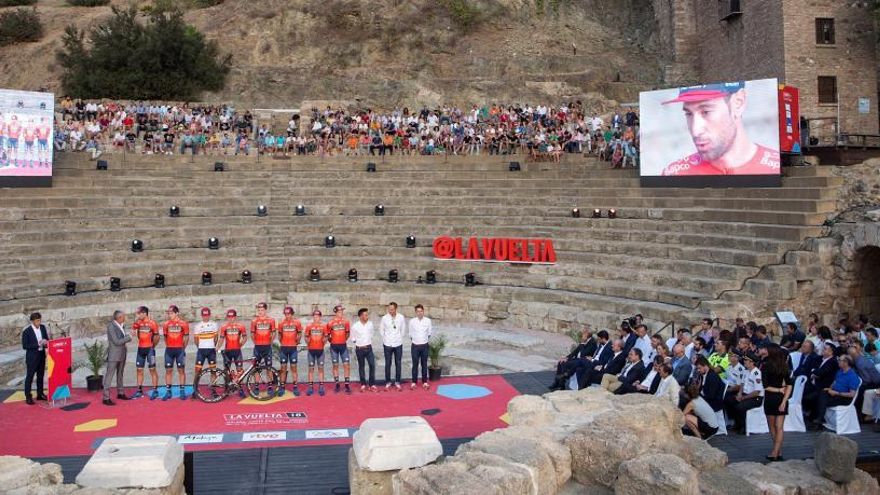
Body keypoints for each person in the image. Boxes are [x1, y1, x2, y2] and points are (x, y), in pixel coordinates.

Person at [660, 81, 780, 176]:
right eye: (689, 114)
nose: (695, 131)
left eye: (706, 112)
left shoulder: (775, 166)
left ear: (738, 103)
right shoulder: (675, 173)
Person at [812, 355, 861, 430]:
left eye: (839, 360)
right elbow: (834, 383)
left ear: (846, 363)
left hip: (844, 398)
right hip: (834, 394)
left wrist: (837, 393)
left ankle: (819, 420)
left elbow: (852, 394)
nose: (838, 361)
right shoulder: (840, 371)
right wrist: (829, 389)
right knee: (821, 393)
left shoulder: (853, 376)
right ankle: (819, 419)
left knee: (822, 400)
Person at [763, 346, 792, 460]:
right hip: (781, 398)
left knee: (772, 427)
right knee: (779, 427)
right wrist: (784, 400)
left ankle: (775, 451)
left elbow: (765, 386)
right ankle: (777, 450)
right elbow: (789, 385)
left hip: (771, 398)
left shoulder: (766, 366)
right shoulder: (784, 366)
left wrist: (778, 390)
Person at [725, 353, 764, 434]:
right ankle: (737, 424)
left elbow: (757, 392)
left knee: (740, 406)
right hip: (745, 395)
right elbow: (742, 384)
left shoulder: (757, 373)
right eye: (744, 360)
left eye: (746, 360)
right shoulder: (746, 371)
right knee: (729, 400)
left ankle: (744, 427)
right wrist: (739, 393)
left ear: (752, 362)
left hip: (755, 398)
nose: (744, 362)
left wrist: (743, 398)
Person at [550, 325, 597, 390]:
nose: (582, 333)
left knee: (565, 364)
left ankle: (561, 382)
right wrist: (566, 357)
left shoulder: (592, 343)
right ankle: (558, 383)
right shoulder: (585, 340)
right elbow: (575, 352)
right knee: (561, 362)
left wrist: (583, 342)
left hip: (582, 362)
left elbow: (584, 353)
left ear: (588, 334)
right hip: (576, 360)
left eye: (584, 332)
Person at [102, 310, 131, 405]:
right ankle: (106, 398)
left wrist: (126, 337)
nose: (125, 318)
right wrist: (129, 337)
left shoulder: (122, 325)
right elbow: (116, 341)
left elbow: (121, 339)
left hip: (122, 354)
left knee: (120, 374)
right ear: (119, 318)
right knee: (109, 375)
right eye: (123, 317)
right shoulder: (111, 327)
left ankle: (120, 392)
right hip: (114, 355)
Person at [131, 306, 160, 400]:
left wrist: (152, 346)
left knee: (152, 370)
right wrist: (134, 330)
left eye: (139, 313)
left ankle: (155, 390)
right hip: (140, 349)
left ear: (144, 313)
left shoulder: (153, 323)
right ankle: (139, 390)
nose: (137, 315)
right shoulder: (138, 322)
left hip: (150, 350)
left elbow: (157, 337)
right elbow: (134, 331)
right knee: (139, 370)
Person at [162, 305, 190, 401]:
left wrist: (183, 348)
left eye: (171, 313)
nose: (170, 315)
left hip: (180, 350)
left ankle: (182, 391)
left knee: (181, 370)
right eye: (169, 313)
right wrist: (169, 345)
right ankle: (168, 391)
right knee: (168, 370)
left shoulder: (183, 324)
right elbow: (165, 337)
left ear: (177, 313)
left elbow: (186, 337)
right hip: (169, 350)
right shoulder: (166, 324)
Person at [21, 313, 49, 405]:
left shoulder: (43, 327)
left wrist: (45, 343)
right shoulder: (27, 331)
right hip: (32, 357)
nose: (39, 322)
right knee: (30, 377)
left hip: (41, 355)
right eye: (37, 321)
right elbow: (25, 346)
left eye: (40, 320)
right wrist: (38, 344)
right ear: (32, 321)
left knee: (40, 376)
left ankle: (40, 394)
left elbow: (46, 339)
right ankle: (28, 396)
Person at [218, 309, 247, 397]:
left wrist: (240, 345)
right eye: (229, 317)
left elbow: (245, 338)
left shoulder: (241, 326)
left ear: (235, 317)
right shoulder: (224, 327)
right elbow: (221, 339)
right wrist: (217, 348)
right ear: (227, 317)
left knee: (239, 371)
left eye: (232, 317)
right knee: (227, 371)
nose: (231, 319)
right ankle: (227, 389)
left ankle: (240, 389)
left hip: (237, 351)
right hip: (228, 351)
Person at [191, 307, 219, 396]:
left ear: (209, 315)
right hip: (201, 351)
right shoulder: (197, 326)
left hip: (211, 350)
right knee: (198, 371)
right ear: (201, 316)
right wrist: (201, 346)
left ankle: (213, 390)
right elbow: (196, 340)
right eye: (204, 316)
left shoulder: (214, 324)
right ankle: (195, 390)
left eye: (207, 315)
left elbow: (216, 338)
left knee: (213, 371)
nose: (205, 317)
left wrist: (211, 345)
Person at [379, 302, 406, 391]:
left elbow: (403, 329)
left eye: (392, 309)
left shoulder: (401, 317)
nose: (390, 311)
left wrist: (400, 337)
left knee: (398, 363)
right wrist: (385, 338)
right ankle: (388, 382)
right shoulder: (384, 318)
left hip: (398, 343)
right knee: (388, 363)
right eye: (389, 309)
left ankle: (397, 382)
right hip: (387, 344)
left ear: (396, 309)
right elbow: (381, 329)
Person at [277, 306, 303, 396]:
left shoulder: (297, 323)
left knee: (294, 368)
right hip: (284, 348)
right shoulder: (281, 323)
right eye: (285, 314)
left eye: (288, 314)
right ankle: (282, 387)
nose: (287, 315)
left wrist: (296, 342)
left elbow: (299, 333)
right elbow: (279, 335)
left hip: (293, 349)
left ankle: (295, 387)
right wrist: (283, 343)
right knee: (283, 368)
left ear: (292, 314)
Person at [327, 305, 352, 394]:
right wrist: (333, 341)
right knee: (335, 365)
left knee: (346, 365)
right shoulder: (330, 323)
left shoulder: (346, 322)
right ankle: (337, 384)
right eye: (340, 311)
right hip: (334, 347)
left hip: (343, 346)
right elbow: (328, 335)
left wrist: (343, 340)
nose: (341, 313)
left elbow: (347, 334)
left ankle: (347, 384)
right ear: (336, 312)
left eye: (342, 311)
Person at [351, 308, 377, 392]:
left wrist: (368, 341)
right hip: (359, 349)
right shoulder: (355, 326)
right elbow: (352, 338)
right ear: (361, 316)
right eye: (365, 315)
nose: (367, 316)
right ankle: (363, 384)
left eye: (367, 314)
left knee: (372, 365)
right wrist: (358, 342)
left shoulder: (370, 324)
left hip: (369, 348)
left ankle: (372, 384)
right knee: (361, 367)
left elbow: (372, 333)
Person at [305, 309, 329, 396]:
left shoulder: (324, 326)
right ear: (313, 317)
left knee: (321, 369)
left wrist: (324, 342)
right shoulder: (309, 326)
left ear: (320, 317)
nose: (316, 318)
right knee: (311, 369)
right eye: (315, 316)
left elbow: (326, 336)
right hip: (311, 350)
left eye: (318, 316)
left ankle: (321, 387)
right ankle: (310, 387)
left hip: (320, 350)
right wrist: (308, 343)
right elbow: (306, 337)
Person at [409, 304, 432, 390]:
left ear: (423, 311)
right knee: (415, 365)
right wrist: (417, 341)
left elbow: (429, 333)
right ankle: (414, 382)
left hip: (425, 346)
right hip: (415, 346)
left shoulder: (428, 321)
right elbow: (410, 334)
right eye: (418, 311)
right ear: (415, 312)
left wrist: (423, 341)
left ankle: (425, 382)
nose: (419, 313)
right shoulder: (412, 321)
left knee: (424, 364)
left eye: (421, 311)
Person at [251, 302, 276, 367]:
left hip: (267, 346)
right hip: (257, 346)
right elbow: (252, 333)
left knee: (269, 367)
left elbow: (273, 332)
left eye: (262, 310)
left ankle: (270, 378)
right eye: (258, 310)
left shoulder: (271, 320)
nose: (260, 312)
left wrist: (270, 342)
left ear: (265, 310)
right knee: (255, 367)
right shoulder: (254, 321)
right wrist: (255, 342)